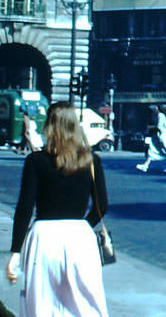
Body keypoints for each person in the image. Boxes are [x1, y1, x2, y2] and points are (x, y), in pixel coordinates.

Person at [5, 102, 108, 315]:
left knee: (42, 304)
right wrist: (80, 227)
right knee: (86, 304)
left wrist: (15, 251)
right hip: (79, 237)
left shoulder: (35, 161)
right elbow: (102, 206)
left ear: (49, 126)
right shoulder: (91, 160)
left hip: (44, 237)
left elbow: (24, 207)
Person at [136, 105, 166, 173]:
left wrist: (150, 127)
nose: (154, 110)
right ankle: (145, 166)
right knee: (152, 150)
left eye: (156, 108)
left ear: (158, 109)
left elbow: (159, 127)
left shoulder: (160, 115)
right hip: (158, 137)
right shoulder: (158, 116)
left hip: (162, 136)